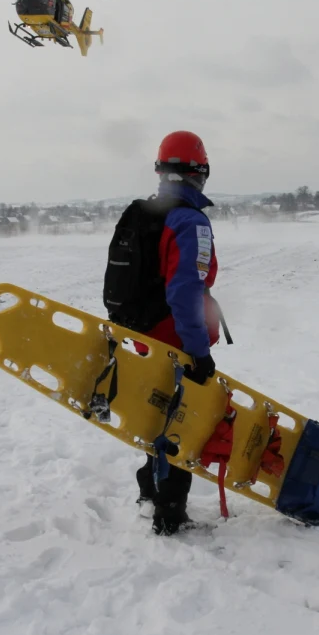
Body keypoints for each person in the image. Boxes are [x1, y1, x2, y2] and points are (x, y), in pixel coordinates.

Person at [102, 129, 223, 535]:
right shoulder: (189, 221)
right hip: (175, 339)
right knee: (182, 421)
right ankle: (169, 514)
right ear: (199, 173)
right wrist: (197, 353)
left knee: (160, 413)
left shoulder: (147, 213)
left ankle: (150, 493)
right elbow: (186, 290)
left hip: (145, 334)